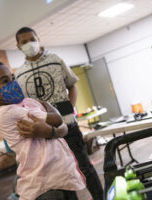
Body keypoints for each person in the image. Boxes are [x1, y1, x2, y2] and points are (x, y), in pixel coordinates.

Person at [0, 62, 85, 200]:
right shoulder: (9, 112)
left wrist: (51, 131)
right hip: (46, 182)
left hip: (58, 176)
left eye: (13, 78)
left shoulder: (25, 104)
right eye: (5, 81)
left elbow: (62, 129)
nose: (13, 83)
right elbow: (57, 120)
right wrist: (49, 107)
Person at [15, 27, 104, 200]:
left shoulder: (55, 60)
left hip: (67, 126)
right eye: (24, 41)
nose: (29, 44)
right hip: (43, 135)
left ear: (38, 39)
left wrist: (67, 109)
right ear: (18, 46)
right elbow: (24, 105)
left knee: (84, 166)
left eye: (32, 39)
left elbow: (71, 85)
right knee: (60, 176)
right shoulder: (19, 74)